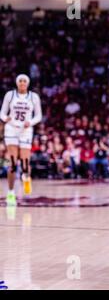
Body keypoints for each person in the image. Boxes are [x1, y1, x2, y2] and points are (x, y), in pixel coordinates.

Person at [1, 74, 42, 204]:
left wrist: (30, 122)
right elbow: (2, 112)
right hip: (11, 129)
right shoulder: (10, 95)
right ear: (17, 83)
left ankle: (26, 177)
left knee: (25, 163)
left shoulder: (34, 97)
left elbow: (39, 116)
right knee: (12, 163)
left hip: (25, 130)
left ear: (28, 83)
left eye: (25, 81)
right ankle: (11, 192)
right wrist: (4, 118)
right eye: (20, 81)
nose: (22, 83)